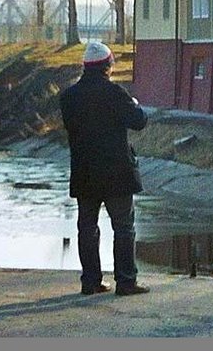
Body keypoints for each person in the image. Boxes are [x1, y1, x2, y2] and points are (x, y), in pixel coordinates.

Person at [59, 41, 149, 296]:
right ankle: (126, 281)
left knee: (87, 228)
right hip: (117, 173)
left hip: (85, 173)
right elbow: (139, 122)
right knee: (123, 227)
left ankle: (90, 281)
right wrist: (133, 104)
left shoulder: (68, 98)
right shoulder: (115, 93)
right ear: (107, 66)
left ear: (85, 67)